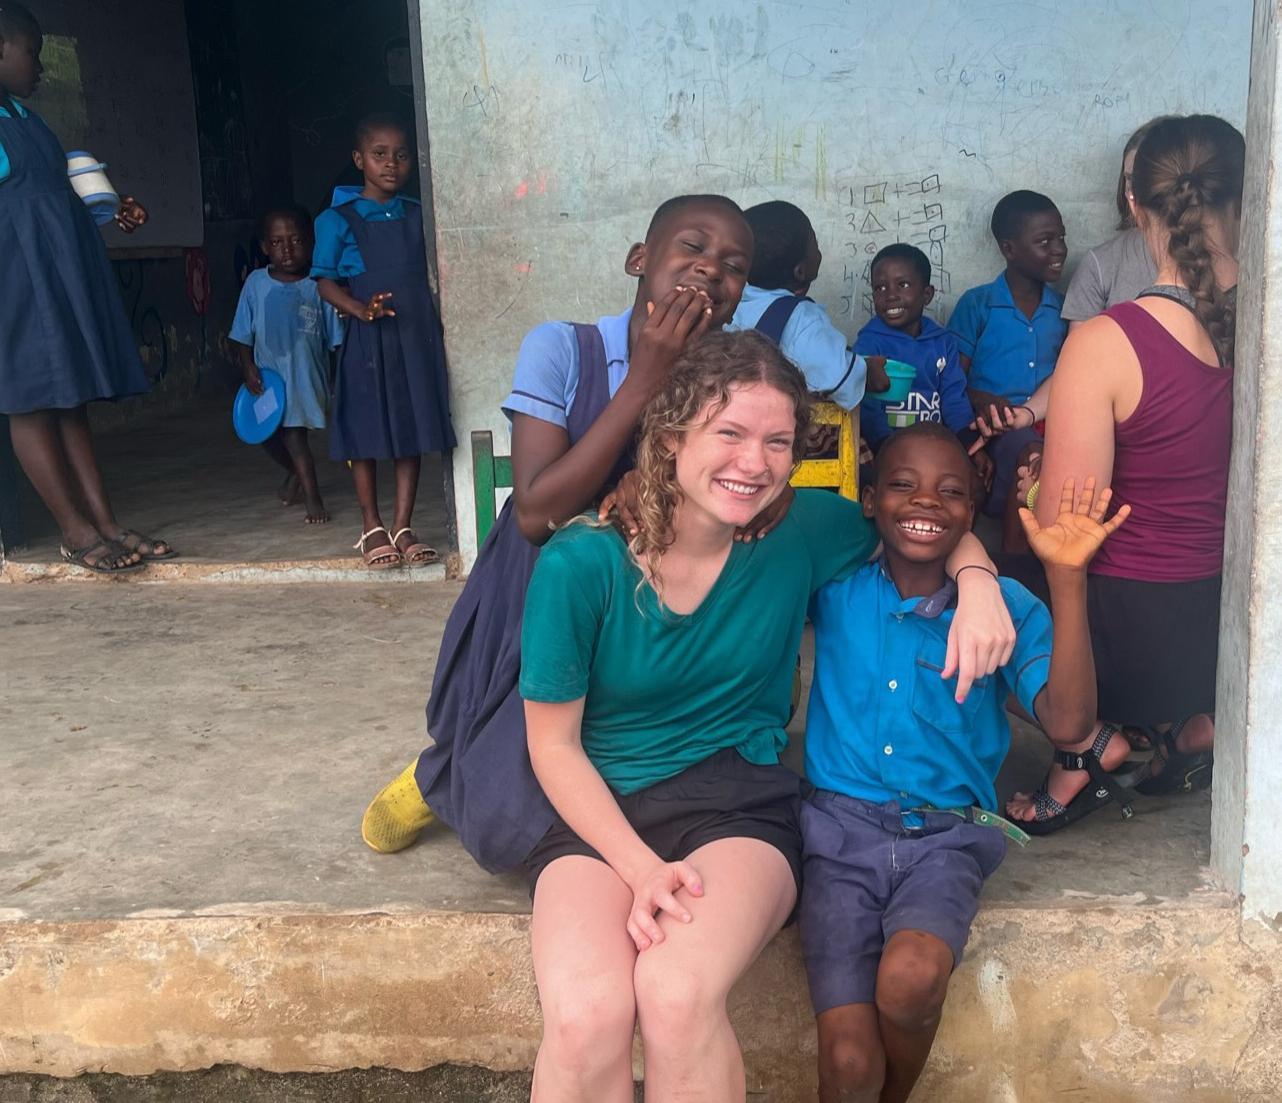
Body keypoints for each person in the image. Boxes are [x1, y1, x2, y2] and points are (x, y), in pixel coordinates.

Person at [518, 331, 1017, 1102]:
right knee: (586, 1015)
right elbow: (551, 746)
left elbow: (922, 522)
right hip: (598, 811)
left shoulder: (803, 532)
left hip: (737, 808)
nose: (753, 463)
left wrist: (978, 576)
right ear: (672, 432)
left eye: (776, 442)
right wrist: (640, 868)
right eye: (729, 433)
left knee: (677, 994)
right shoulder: (580, 563)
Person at [360, 195, 773, 862]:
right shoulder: (563, 347)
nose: (709, 270)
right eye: (692, 247)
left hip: (644, 585)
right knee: (505, 717)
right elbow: (535, 513)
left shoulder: (728, 377)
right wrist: (645, 378)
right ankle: (436, 778)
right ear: (639, 259)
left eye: (732, 265)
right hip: (539, 572)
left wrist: (655, 477)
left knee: (602, 731)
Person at [801, 423, 1123, 1103]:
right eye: (901, 485)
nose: (925, 502)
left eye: (951, 491)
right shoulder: (835, 583)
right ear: (868, 500)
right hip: (833, 834)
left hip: (945, 836)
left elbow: (1067, 725)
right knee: (848, 1065)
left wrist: (1066, 579)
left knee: (911, 980)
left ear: (971, 511)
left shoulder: (1008, 608)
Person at [1004, 114, 1244, 829]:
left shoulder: (1109, 343)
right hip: (1230, 627)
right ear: (1243, 202)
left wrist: (1037, 492)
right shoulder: (1278, 324)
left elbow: (1062, 530)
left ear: (1134, 205)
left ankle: (1081, 746)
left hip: (1133, 634)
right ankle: (1185, 728)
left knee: (965, 605)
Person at [0, 0, 173, 573]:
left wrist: (109, 206)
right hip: (7, 287)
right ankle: (76, 534)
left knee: (70, 403)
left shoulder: (27, 119)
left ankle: (107, 523)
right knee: (29, 408)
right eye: (33, 52)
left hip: (54, 282)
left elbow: (47, 200)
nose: (40, 66)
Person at [312, 112, 456, 568]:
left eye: (401, 155)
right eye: (379, 155)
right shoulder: (337, 220)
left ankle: (403, 525)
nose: (391, 163)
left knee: (410, 428)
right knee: (366, 429)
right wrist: (360, 310)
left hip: (414, 333)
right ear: (359, 160)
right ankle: (372, 526)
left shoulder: (419, 213)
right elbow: (325, 282)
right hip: (367, 335)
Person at [950, 190, 1068, 528]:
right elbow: (952, 383)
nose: (1059, 249)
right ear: (1009, 249)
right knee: (1030, 461)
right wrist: (981, 399)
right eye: (1045, 241)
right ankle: (1015, 568)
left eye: (1061, 238)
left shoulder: (1064, 310)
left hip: (1051, 428)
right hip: (994, 431)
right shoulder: (978, 305)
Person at [230, 206, 340, 525]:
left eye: (296, 240)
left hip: (306, 379)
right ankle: (295, 471)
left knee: (294, 436)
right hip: (267, 381)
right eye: (277, 242)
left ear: (311, 242)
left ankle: (312, 497)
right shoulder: (255, 284)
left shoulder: (321, 286)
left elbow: (336, 340)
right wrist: (247, 367)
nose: (287, 250)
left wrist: (340, 379)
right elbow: (241, 333)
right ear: (264, 247)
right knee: (264, 434)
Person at [734, 200, 885, 410]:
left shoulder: (732, 302)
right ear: (800, 271)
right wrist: (868, 371)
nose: (817, 246)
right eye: (814, 240)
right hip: (773, 423)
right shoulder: (802, 318)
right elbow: (840, 377)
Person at [852, 246, 983, 470]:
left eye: (902, 285)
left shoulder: (943, 342)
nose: (890, 295)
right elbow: (866, 406)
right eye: (880, 288)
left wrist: (969, 445)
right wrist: (886, 445)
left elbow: (954, 399)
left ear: (927, 294)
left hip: (934, 447)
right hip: (885, 447)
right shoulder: (870, 344)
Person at [1060, 117, 1170, 327]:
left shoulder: (1216, 261)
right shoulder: (1101, 265)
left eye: (1149, 179)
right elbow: (1081, 355)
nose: (1137, 191)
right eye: (1130, 178)